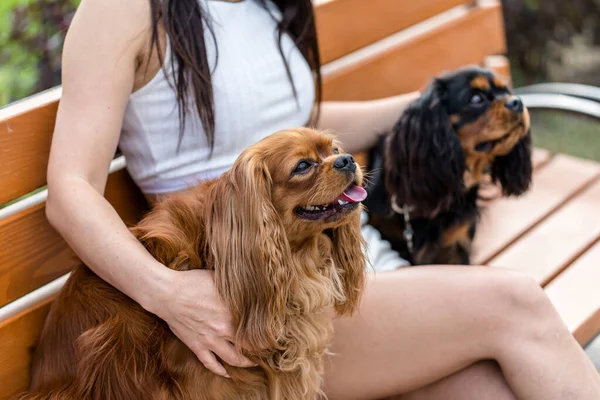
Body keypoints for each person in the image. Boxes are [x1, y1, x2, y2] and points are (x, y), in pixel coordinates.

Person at [45, 0, 600, 398]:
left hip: (339, 259)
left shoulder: (272, 6)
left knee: (496, 387)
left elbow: (295, 127)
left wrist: (428, 106)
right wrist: (167, 293)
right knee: (516, 303)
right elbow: (69, 189)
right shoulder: (125, 10)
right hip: (263, 297)